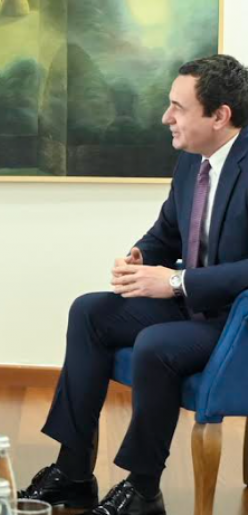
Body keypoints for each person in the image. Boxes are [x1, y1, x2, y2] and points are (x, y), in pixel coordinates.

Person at [21, 54, 248, 515]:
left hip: (235, 322)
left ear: (220, 116)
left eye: (178, 107)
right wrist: (141, 257)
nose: (166, 117)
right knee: (90, 311)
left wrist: (178, 281)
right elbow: (168, 231)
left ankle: (144, 490)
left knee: (155, 344)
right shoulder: (192, 162)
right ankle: (73, 473)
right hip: (192, 306)